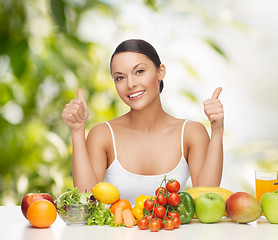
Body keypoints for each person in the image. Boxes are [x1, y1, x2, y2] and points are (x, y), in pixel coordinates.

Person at [61, 39, 224, 204]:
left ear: (160, 72)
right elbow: (87, 199)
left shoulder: (191, 133)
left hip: (172, 230)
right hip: (118, 230)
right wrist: (77, 131)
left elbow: (206, 197)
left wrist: (217, 131)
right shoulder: (102, 134)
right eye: (120, 78)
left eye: (139, 71)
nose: (131, 84)